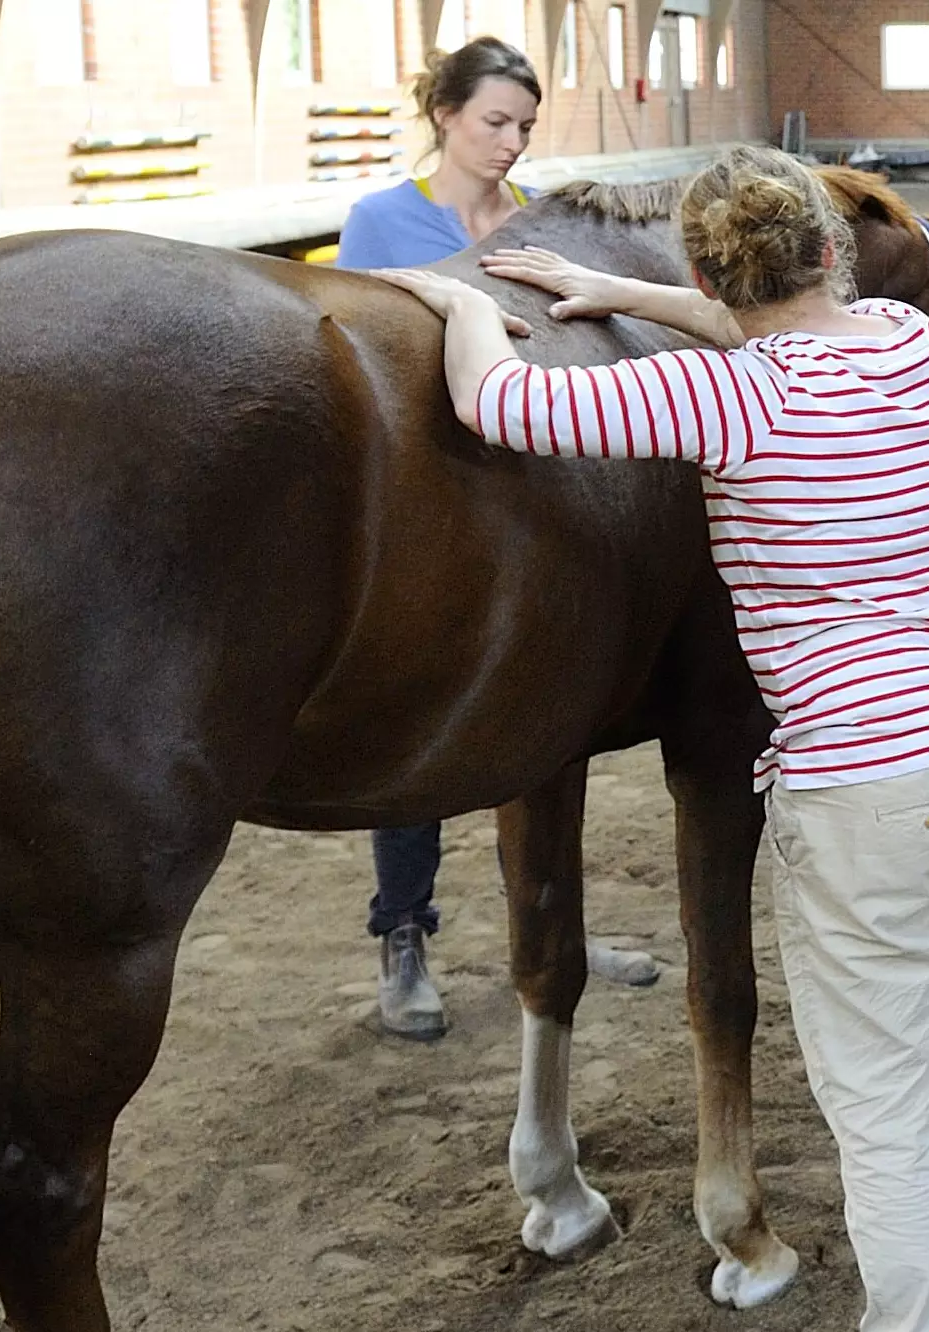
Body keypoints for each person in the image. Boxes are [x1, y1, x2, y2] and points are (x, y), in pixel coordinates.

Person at [376, 144, 929, 1332]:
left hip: (870, 782)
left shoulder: (722, 399)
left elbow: (501, 405)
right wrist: (589, 275)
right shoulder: (915, 350)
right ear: (832, 258)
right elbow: (775, 321)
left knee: (886, 1106)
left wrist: (463, 306)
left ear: (698, 277)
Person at [336, 35, 657, 1040]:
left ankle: (558, 926)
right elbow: (348, 362)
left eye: (524, 125)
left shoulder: (531, 221)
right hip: (418, 509)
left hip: (527, 501)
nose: (512, 143)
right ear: (445, 115)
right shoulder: (382, 220)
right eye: (494, 122)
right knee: (414, 734)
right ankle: (405, 937)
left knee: (550, 734)